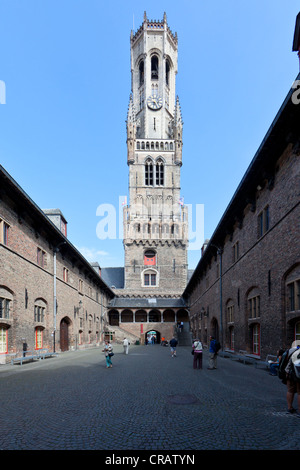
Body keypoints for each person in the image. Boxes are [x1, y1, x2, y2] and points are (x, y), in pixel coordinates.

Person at [284, 344, 300, 416]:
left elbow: (288, 364)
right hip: (298, 376)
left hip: (290, 374)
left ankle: (289, 407)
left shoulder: (294, 351)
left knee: (290, 391)